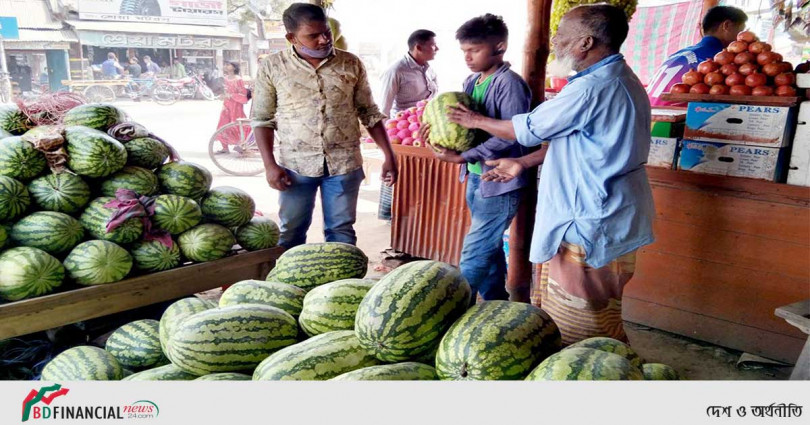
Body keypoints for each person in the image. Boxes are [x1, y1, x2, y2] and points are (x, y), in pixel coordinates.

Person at [445, 4, 655, 345]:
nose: (555, 40)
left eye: (562, 34)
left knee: (583, 330)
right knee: (592, 315)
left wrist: (474, 121)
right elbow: (573, 142)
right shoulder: (616, 79)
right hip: (605, 213)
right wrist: (522, 163)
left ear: (585, 42)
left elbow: (529, 129)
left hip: (590, 217)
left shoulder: (592, 88)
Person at [251, 3, 397, 249]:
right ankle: (289, 284)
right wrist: (269, 166)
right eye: (312, 35)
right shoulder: (273, 66)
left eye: (326, 32)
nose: (323, 40)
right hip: (295, 166)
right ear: (291, 37)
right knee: (292, 231)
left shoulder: (351, 63)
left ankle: (341, 285)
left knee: (341, 231)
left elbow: (369, 112)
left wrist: (389, 155)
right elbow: (262, 119)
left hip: (344, 163)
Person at [421, 14, 530, 302]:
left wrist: (464, 155)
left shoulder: (510, 85)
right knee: (490, 249)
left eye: (475, 50)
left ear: (499, 47)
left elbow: (513, 134)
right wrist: (434, 132)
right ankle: (497, 304)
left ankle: (452, 311)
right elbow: (463, 127)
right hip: (475, 176)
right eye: (464, 52)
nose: (468, 58)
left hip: (500, 181)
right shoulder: (471, 81)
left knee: (475, 250)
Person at [375, 29, 440, 223]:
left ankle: (417, 212)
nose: (437, 48)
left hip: (426, 126)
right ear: (418, 47)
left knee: (421, 172)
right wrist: (388, 142)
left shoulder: (429, 69)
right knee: (398, 168)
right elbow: (383, 109)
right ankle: (390, 213)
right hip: (403, 129)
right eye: (433, 45)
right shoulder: (396, 70)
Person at [647, 5, 747, 106]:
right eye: (740, 31)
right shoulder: (718, 59)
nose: (741, 39)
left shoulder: (678, 54)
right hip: (675, 119)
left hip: (647, 116)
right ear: (727, 26)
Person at [214, 62, 250, 154]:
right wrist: (222, 96)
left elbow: (243, 94)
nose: (226, 66)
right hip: (226, 106)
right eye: (226, 64)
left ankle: (240, 148)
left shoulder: (239, 79)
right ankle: (225, 148)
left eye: (229, 65)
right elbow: (224, 92)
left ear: (234, 68)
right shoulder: (225, 79)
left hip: (236, 106)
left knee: (237, 126)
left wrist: (231, 95)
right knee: (223, 125)